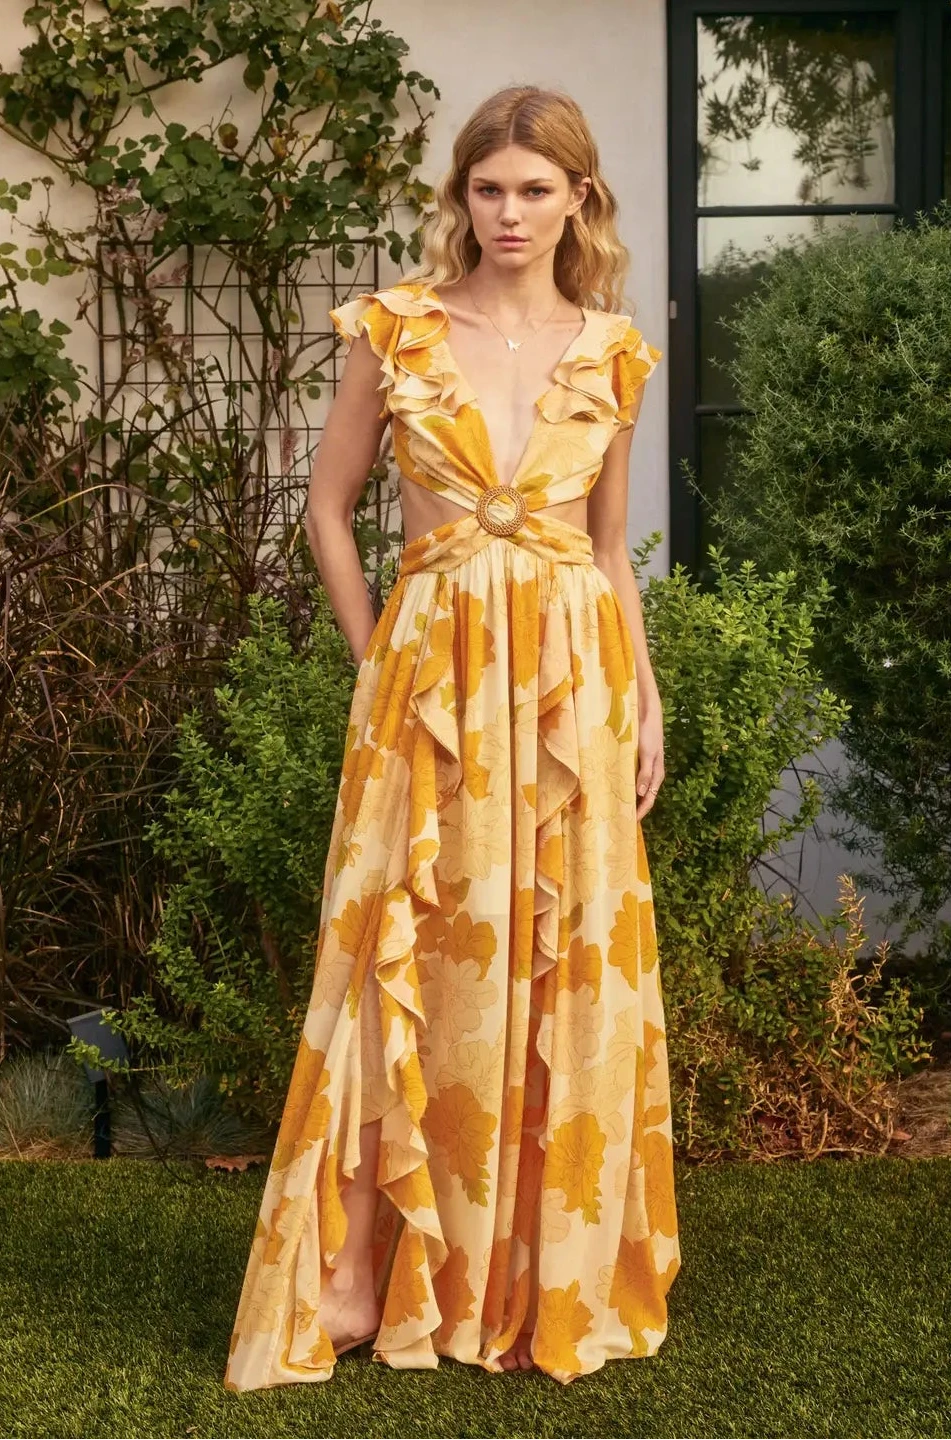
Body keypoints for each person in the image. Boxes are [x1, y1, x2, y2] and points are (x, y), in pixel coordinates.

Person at [224, 83, 680, 1392]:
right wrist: (379, 659)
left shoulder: (611, 350)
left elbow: (607, 551)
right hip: (425, 681)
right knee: (407, 944)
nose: (510, 212)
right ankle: (369, 1274)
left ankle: (534, 1272)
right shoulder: (398, 329)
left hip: (568, 688)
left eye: (536, 189)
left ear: (578, 199)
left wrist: (641, 699)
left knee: (558, 950)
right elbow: (327, 504)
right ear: (459, 198)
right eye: (488, 188)